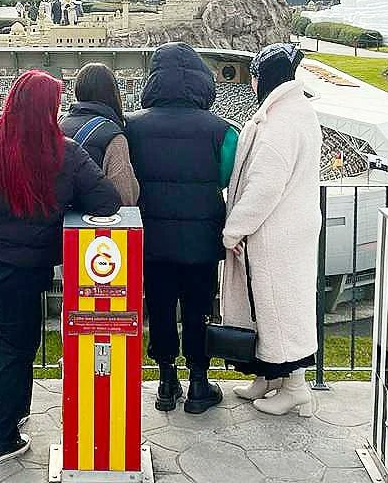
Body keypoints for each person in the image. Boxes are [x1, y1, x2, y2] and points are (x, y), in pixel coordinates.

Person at [0, 70, 121, 465]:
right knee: (15, 346)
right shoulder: (67, 153)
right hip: (17, 270)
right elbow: (107, 201)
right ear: (50, 109)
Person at [126, 43, 238, 414]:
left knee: (158, 307)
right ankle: (199, 384)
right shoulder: (223, 130)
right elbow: (227, 177)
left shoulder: (133, 127)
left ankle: (165, 381)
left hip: (152, 238)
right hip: (202, 239)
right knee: (198, 308)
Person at [221, 44, 321, 417]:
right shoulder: (297, 112)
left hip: (276, 233)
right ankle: (270, 377)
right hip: (288, 229)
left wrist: (234, 229)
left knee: (279, 308)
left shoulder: (279, 123)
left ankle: (295, 388)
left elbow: (263, 187)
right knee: (271, 305)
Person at [59, 63, 139, 205]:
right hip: (90, 223)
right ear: (113, 93)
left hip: (56, 220)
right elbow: (126, 197)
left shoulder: (59, 125)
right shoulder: (112, 135)